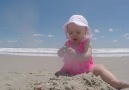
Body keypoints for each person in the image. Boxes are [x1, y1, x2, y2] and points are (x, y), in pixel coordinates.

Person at [37, 15, 129, 90]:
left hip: (87, 69)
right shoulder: (68, 43)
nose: (74, 35)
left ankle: (116, 83)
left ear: (85, 32)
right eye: (71, 32)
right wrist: (61, 52)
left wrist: (76, 55)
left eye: (78, 32)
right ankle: (48, 85)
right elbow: (60, 55)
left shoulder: (87, 43)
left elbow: (87, 57)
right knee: (58, 73)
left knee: (100, 68)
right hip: (69, 69)